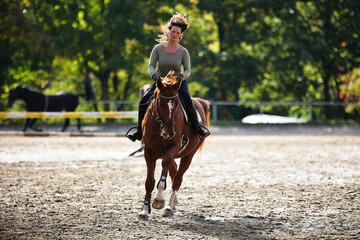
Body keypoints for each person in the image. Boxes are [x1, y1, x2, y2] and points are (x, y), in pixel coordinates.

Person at [126, 13, 210, 142]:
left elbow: (188, 69)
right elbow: (151, 65)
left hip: (178, 83)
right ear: (169, 31)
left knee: (187, 101)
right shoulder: (158, 49)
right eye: (173, 31)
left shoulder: (183, 51)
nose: (175, 34)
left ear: (181, 35)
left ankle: (198, 127)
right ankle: (139, 130)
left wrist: (182, 76)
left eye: (178, 32)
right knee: (143, 101)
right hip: (161, 82)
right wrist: (154, 75)